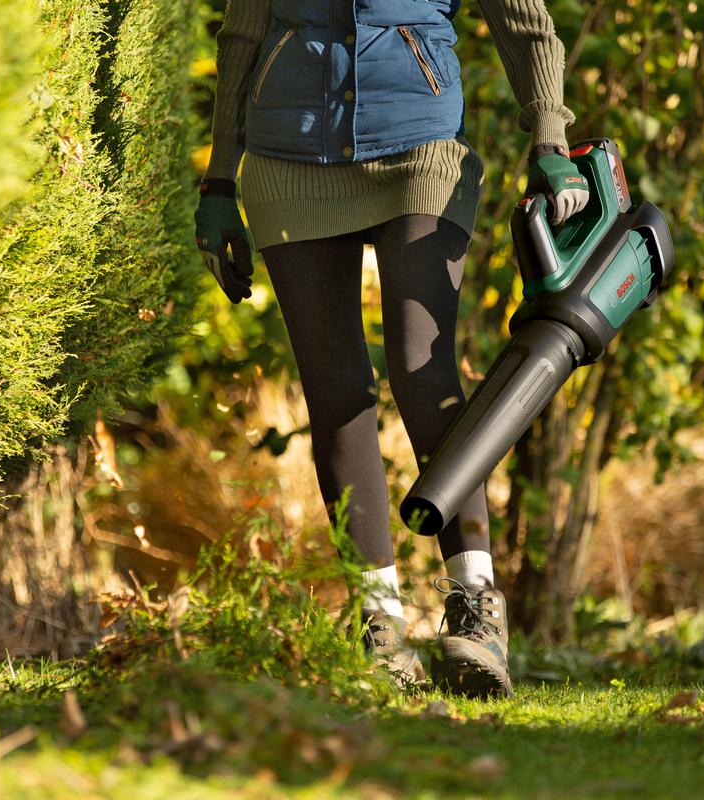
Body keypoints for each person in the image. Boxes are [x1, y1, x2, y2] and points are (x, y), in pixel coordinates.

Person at [193, 0, 588, 696]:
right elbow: (243, 29)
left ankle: (474, 606)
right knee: (337, 392)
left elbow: (523, 19)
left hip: (419, 144)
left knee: (422, 368)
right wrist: (219, 178)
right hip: (289, 154)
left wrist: (549, 138)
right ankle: (378, 622)